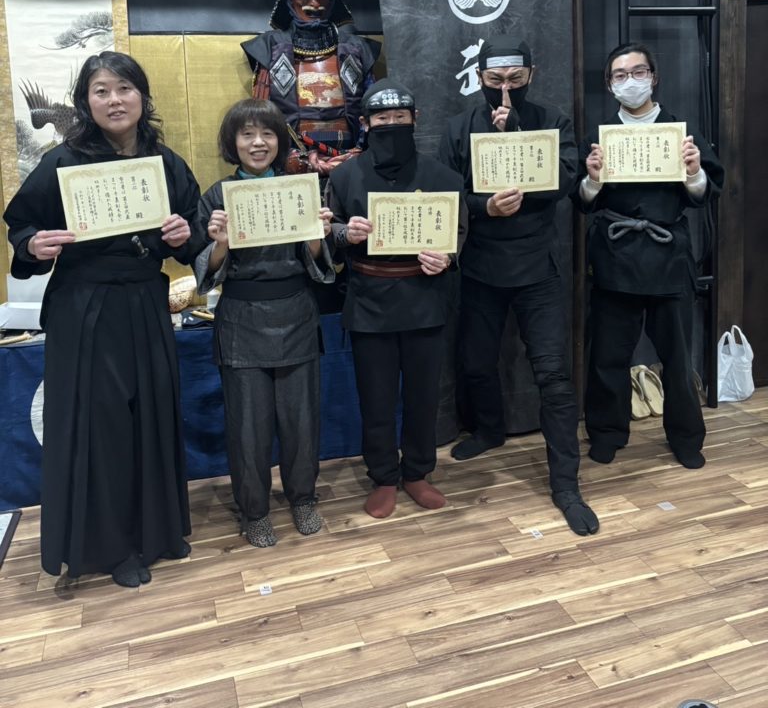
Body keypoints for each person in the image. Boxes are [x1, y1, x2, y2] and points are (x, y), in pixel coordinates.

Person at [3, 51, 203, 588]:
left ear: (142, 96)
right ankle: (113, 549)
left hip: (145, 301)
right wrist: (33, 244)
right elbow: (21, 225)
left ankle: (158, 532)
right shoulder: (63, 161)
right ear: (85, 102)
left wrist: (185, 235)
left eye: (124, 88)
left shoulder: (165, 162)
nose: (115, 100)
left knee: (151, 415)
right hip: (85, 306)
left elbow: (191, 234)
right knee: (104, 424)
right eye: (101, 91)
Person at [439, 38, 599, 537]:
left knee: (554, 376)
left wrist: (518, 138)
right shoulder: (458, 127)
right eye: (495, 81)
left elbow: (568, 179)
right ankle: (489, 429)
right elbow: (446, 194)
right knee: (475, 362)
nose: (505, 91)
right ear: (479, 79)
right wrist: (484, 206)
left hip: (537, 267)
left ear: (532, 74)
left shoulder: (553, 120)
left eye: (515, 80)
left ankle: (566, 485)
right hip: (480, 265)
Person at [574, 43, 724, 468]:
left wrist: (693, 171)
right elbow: (581, 201)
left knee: (677, 356)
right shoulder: (600, 136)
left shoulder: (682, 132)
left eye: (638, 72)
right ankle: (607, 431)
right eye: (620, 75)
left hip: (667, 254)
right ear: (609, 85)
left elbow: (706, 192)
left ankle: (686, 436)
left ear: (653, 77)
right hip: (614, 255)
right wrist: (592, 179)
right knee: (608, 353)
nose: (630, 81)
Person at [194, 99, 335, 547]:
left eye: (268, 133)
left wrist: (318, 236)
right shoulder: (217, 196)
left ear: (279, 141)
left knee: (301, 420)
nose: (258, 143)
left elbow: (316, 260)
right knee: (248, 426)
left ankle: (303, 498)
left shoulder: (299, 189)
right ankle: (254, 510)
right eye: (247, 134)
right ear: (232, 143)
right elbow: (206, 269)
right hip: (241, 319)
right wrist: (221, 242)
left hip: (296, 311)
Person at [326, 79, 467, 519]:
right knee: (376, 396)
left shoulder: (443, 177)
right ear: (366, 123)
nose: (391, 124)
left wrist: (447, 256)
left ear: (414, 119)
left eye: (399, 117)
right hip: (369, 299)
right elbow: (327, 230)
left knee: (424, 395)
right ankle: (384, 475)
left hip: (425, 295)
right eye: (381, 118)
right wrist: (344, 234)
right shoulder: (344, 176)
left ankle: (419, 471)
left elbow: (459, 230)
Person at [241, 0, 379, 175]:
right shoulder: (269, 48)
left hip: (353, 160)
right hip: (290, 161)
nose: (314, 3)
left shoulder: (357, 49)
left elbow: (372, 113)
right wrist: (289, 156)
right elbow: (260, 117)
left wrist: (359, 151)